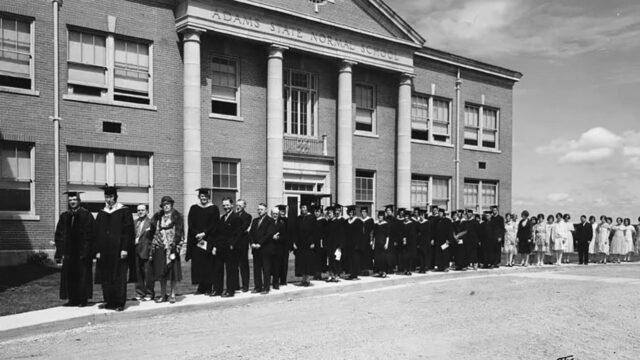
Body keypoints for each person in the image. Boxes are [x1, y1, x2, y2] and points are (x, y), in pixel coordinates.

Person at [94, 186, 136, 311]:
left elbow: (128, 232)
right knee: (106, 277)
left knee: (119, 276)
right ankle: (108, 301)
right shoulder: (102, 212)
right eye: (107, 197)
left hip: (119, 251)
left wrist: (125, 248)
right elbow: (97, 233)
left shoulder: (124, 211)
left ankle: (119, 303)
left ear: (116, 197)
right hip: (105, 252)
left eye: (111, 197)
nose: (109, 199)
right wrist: (97, 251)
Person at [54, 191, 96, 307]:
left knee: (82, 276)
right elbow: (59, 234)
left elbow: (91, 235)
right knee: (70, 276)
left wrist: (87, 252)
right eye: (70, 200)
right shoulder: (64, 216)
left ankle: (83, 300)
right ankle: (72, 299)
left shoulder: (86, 215)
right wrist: (60, 251)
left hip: (82, 252)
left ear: (79, 201)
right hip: (69, 253)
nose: (72, 202)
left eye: (74, 200)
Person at [149, 196, 184, 304]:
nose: (166, 206)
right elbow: (153, 231)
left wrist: (176, 245)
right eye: (164, 205)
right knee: (161, 273)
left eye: (168, 204)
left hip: (172, 247)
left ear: (171, 205)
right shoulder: (159, 218)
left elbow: (180, 233)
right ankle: (163, 294)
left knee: (172, 272)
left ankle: (172, 294)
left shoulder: (177, 217)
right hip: (160, 246)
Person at [186, 188, 219, 296]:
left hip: (208, 240)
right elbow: (190, 223)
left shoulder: (214, 208)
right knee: (198, 263)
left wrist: (204, 233)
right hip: (197, 240)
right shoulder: (194, 208)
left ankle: (208, 287)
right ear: (199, 197)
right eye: (201, 196)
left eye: (205, 196)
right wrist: (197, 234)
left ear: (208, 197)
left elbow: (214, 224)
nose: (203, 198)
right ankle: (201, 287)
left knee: (208, 263)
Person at [213, 197, 242, 297]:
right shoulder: (222, 218)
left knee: (230, 270)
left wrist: (232, 245)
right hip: (221, 248)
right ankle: (218, 289)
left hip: (230, 248)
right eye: (224, 205)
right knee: (218, 269)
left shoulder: (236, 218)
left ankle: (230, 290)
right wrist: (215, 246)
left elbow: (238, 234)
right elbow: (218, 234)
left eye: (227, 205)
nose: (225, 207)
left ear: (232, 205)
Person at [249, 203, 277, 294]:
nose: (259, 211)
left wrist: (260, 244)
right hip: (255, 249)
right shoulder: (255, 220)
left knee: (266, 269)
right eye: (258, 209)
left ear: (265, 210)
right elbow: (251, 234)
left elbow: (269, 234)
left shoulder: (270, 220)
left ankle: (266, 288)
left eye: (261, 209)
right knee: (257, 269)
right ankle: (258, 287)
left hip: (265, 249)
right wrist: (252, 243)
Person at [134, 204, 154, 301]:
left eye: (142, 210)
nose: (140, 212)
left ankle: (149, 293)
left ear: (147, 211)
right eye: (138, 210)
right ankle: (139, 293)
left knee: (148, 274)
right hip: (136, 251)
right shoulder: (134, 222)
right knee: (138, 273)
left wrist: (151, 252)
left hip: (147, 250)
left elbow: (154, 238)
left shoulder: (151, 223)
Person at [294, 203, 317, 286]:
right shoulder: (299, 218)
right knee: (301, 262)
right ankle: (303, 279)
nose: (302, 209)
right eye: (301, 207)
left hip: (309, 243)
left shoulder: (312, 218)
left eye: (304, 207)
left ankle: (307, 280)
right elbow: (295, 231)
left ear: (307, 208)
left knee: (308, 261)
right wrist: (295, 242)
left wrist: (313, 242)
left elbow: (315, 232)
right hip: (300, 244)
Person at [235, 199, 252, 292]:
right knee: (234, 266)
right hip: (234, 244)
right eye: (237, 205)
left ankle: (245, 285)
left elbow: (243, 227)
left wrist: (234, 230)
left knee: (244, 266)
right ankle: (236, 285)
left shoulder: (248, 216)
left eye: (240, 206)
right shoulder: (233, 215)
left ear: (244, 206)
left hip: (242, 244)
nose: (238, 207)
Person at [325, 205, 344, 282]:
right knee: (330, 260)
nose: (329, 214)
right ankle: (330, 275)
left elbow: (341, 235)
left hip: (336, 244)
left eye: (330, 213)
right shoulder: (328, 222)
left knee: (336, 261)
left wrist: (340, 246)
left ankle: (336, 275)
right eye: (328, 213)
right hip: (329, 244)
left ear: (333, 213)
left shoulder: (338, 222)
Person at [343, 205, 363, 279]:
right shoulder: (346, 221)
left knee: (355, 259)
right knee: (349, 259)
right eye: (349, 212)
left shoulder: (358, 221)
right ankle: (351, 273)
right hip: (348, 244)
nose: (350, 213)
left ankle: (355, 274)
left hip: (355, 244)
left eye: (352, 212)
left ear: (354, 212)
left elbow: (360, 234)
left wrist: (358, 244)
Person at [273, 205, 290, 286]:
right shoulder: (276, 220)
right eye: (281, 211)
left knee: (285, 263)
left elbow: (290, 232)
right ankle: (276, 280)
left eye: (284, 211)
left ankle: (283, 280)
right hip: (277, 245)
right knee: (277, 263)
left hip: (285, 245)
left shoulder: (288, 220)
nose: (283, 213)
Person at [433, 207, 453, 271]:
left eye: (441, 213)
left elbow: (450, 231)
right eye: (439, 213)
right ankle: (440, 266)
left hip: (445, 240)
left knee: (445, 254)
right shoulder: (437, 220)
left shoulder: (448, 221)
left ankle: (446, 266)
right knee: (439, 254)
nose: (439, 214)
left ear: (443, 213)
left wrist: (448, 240)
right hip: (438, 240)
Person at [373, 210, 391, 277]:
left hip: (383, 243)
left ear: (383, 217)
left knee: (383, 258)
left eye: (381, 216)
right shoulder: (376, 224)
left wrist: (386, 243)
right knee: (377, 258)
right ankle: (379, 271)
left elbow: (388, 235)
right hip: (377, 243)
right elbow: (374, 235)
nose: (380, 217)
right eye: (379, 216)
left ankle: (384, 272)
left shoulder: (386, 224)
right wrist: (373, 243)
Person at [399, 209, 417, 275]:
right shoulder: (402, 223)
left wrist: (407, 239)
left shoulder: (411, 224)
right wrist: (403, 238)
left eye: (407, 216)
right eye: (405, 216)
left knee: (409, 257)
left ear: (409, 217)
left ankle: (409, 269)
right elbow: (401, 232)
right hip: (403, 243)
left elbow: (412, 234)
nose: (406, 218)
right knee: (404, 257)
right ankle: (405, 269)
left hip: (410, 243)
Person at [313, 206, 328, 280]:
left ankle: (319, 273)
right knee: (314, 258)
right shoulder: (312, 220)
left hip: (321, 242)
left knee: (320, 258)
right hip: (314, 243)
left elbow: (326, 233)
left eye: (318, 211)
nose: (316, 213)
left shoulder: (324, 221)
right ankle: (315, 273)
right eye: (315, 211)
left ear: (320, 212)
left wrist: (323, 241)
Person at [360, 207, 375, 275]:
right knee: (362, 254)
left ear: (367, 212)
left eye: (365, 212)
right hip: (361, 240)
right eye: (362, 212)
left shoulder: (370, 220)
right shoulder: (359, 220)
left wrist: (371, 240)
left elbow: (372, 231)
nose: (363, 213)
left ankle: (367, 269)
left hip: (368, 240)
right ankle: (362, 269)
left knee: (368, 255)